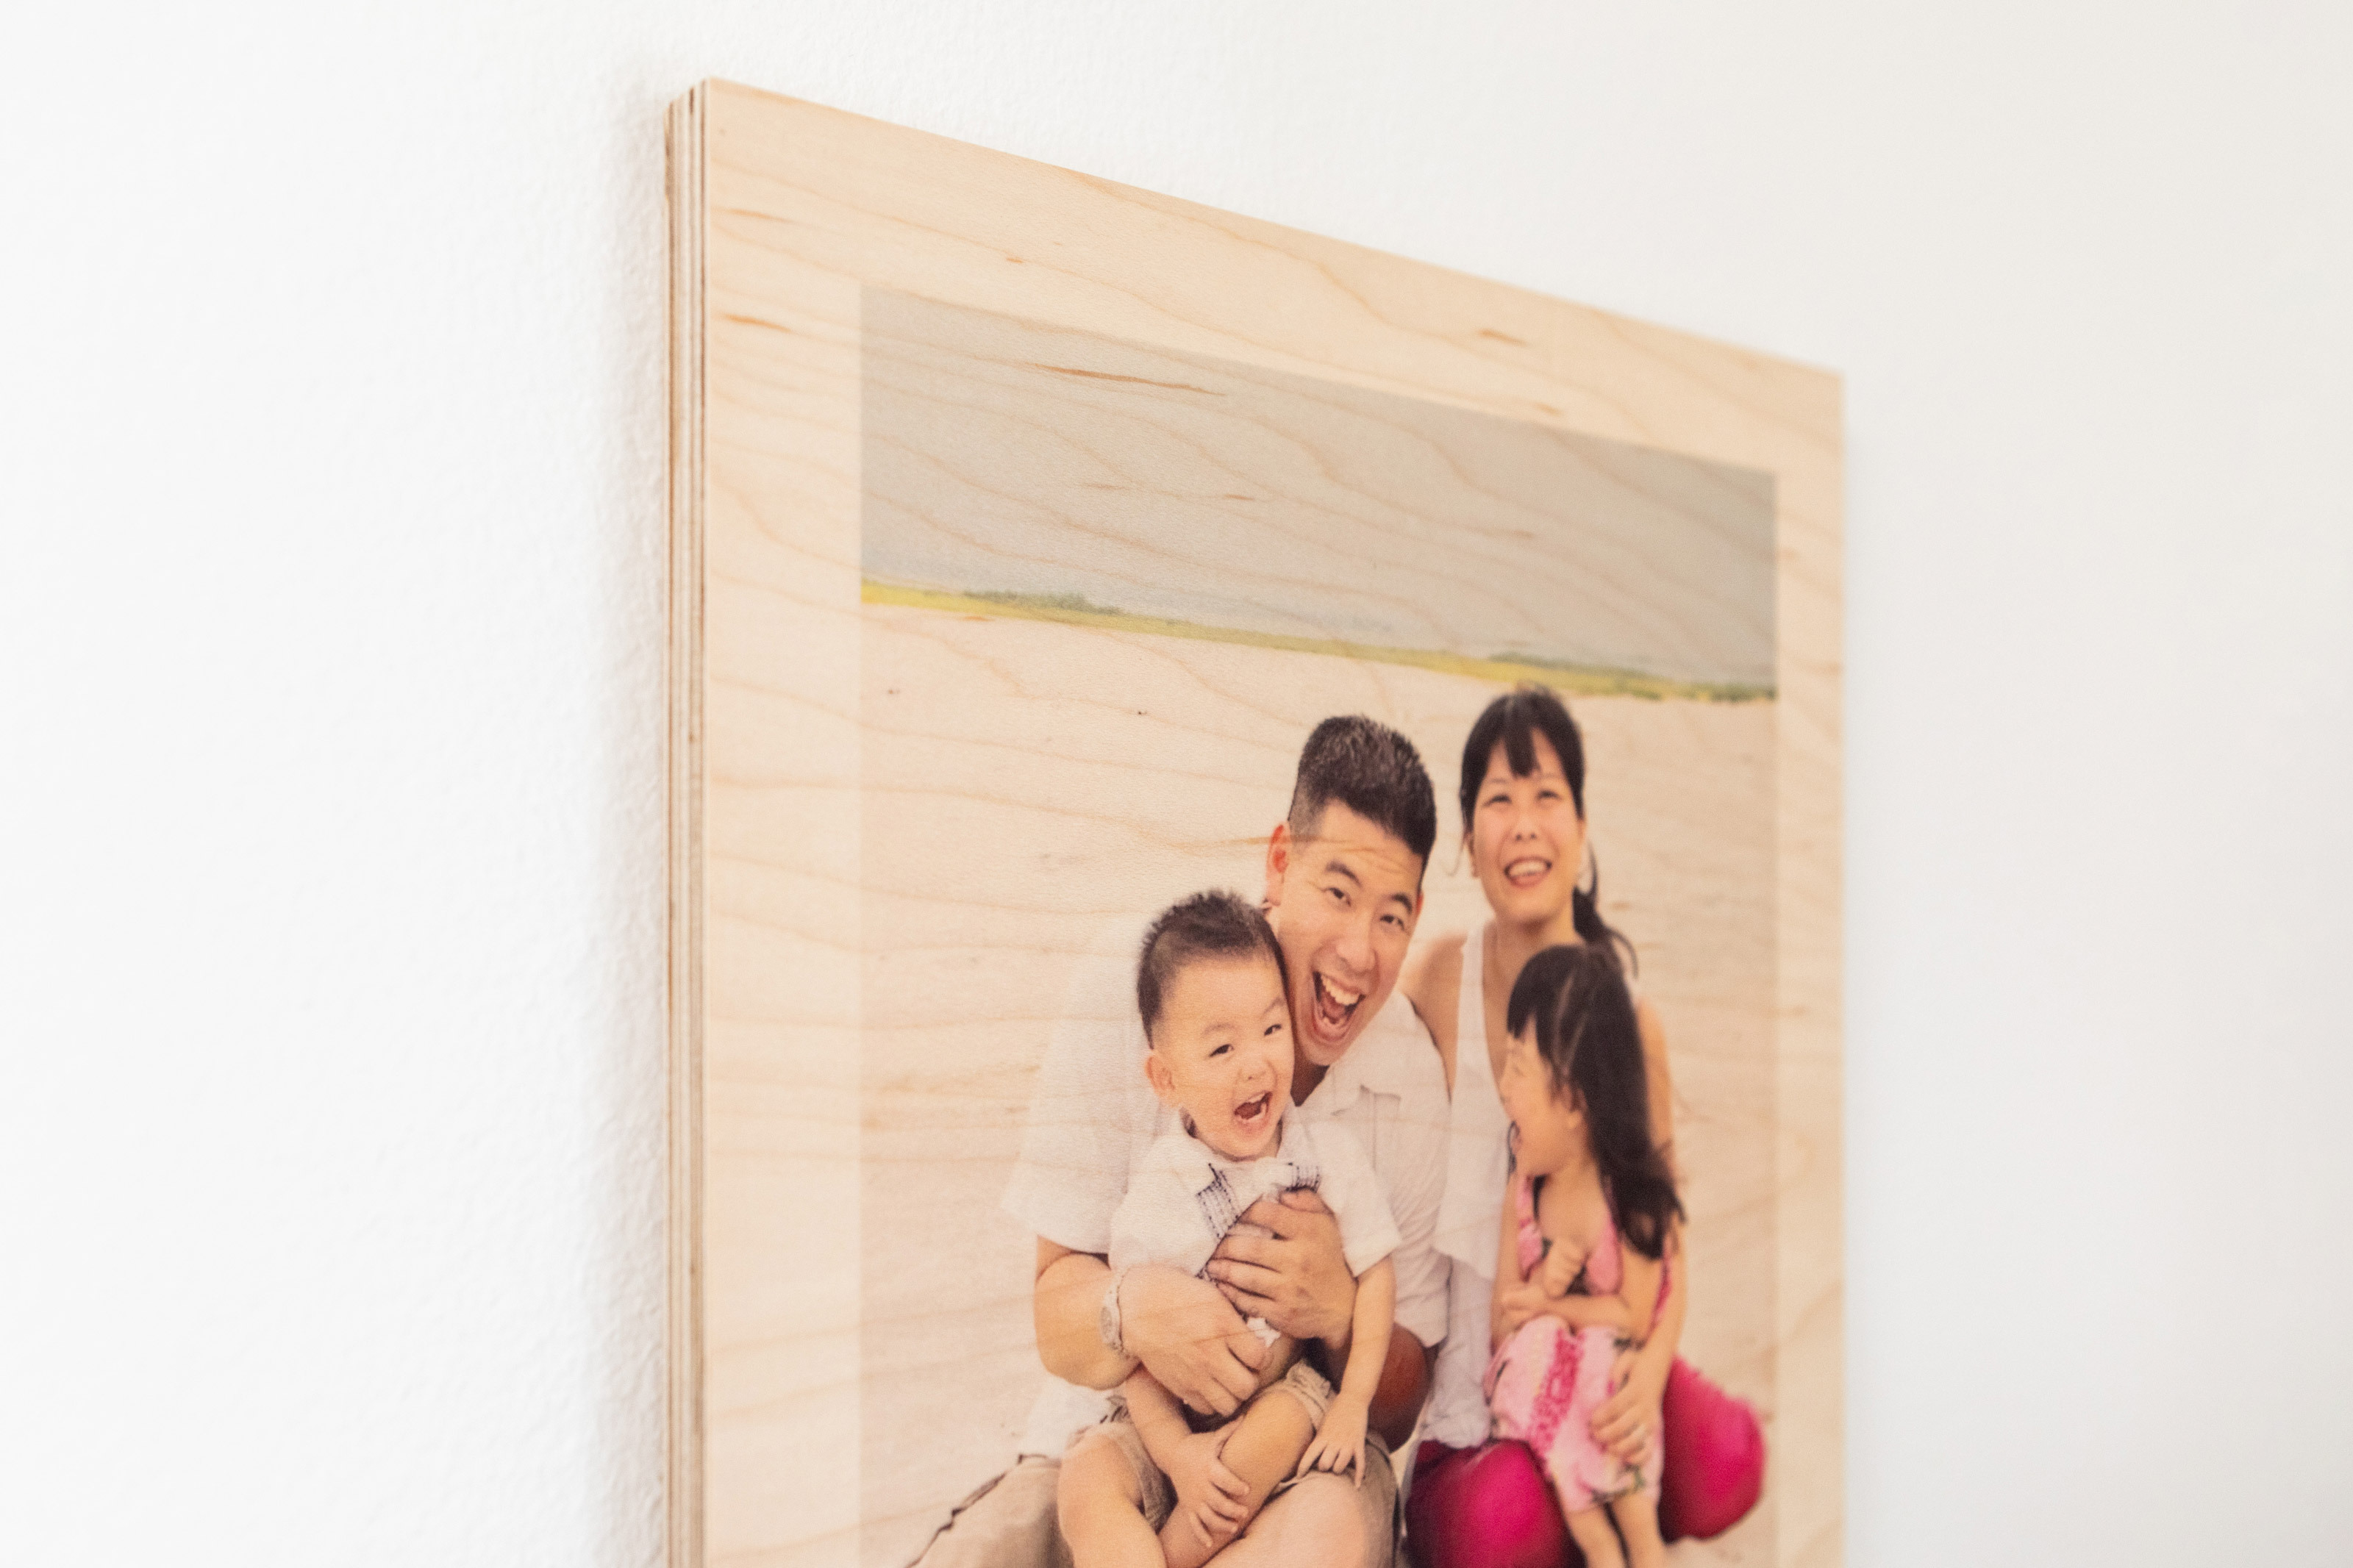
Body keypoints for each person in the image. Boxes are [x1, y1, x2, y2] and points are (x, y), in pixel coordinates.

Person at [915, 716, 1453, 1568]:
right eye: (1337, 892)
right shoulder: (1134, 985)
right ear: (1279, 862)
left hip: (1303, 1461)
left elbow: (1397, 1403)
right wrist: (1135, 1311)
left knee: (1319, 1537)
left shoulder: (1406, 1082)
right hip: (1115, 1432)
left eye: (1391, 917)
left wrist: (1337, 1315)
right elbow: (1056, 1313)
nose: (1358, 952)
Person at [1401, 687, 1763, 1568]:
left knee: (1728, 1459)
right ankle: (1565, 1513)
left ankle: (1599, 1495)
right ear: (1466, 840)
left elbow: (1661, 1230)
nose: (1524, 825)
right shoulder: (1442, 978)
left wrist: (1649, 1367)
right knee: (1497, 1529)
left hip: (1601, 1355)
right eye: (1498, 800)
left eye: (1547, 796)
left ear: (1582, 825)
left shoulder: (1628, 1022)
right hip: (1489, 1387)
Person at [1058, 891, 1399, 1568]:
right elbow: (1135, 1357)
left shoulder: (1323, 1157)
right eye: (1221, 1047)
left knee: (1268, 1436)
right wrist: (1176, 1453)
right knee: (1085, 1478)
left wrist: (1354, 1402)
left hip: (1282, 1394)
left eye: (1272, 1029)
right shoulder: (1161, 1190)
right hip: (1168, 1421)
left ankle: (1172, 1555)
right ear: (1165, 1078)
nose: (1255, 1063)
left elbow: (1377, 1274)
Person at [1484, 945, 1682, 1568]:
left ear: (1572, 1102)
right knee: (1542, 1344)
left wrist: (1554, 1304)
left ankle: (1643, 1545)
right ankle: (1601, 1548)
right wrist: (1545, 1288)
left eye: (1518, 1068)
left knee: (1602, 1357)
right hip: (1552, 1411)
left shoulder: (1632, 1200)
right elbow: (1504, 1327)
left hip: (1610, 1401)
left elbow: (1634, 1318)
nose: (1502, 1087)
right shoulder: (1524, 1191)